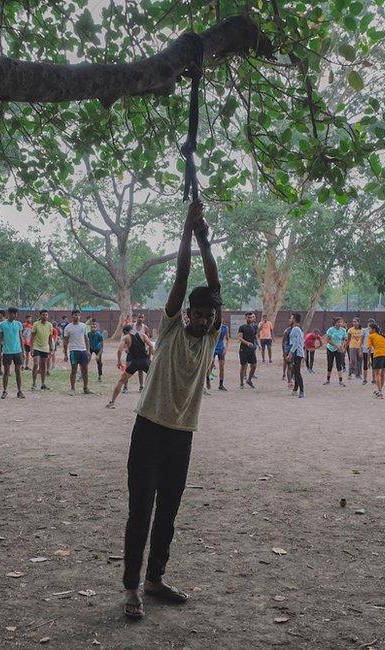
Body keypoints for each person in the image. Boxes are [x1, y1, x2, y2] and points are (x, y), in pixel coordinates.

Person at [122, 200, 221, 621]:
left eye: (206, 316)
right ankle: (131, 589)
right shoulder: (167, 329)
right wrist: (187, 232)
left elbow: (214, 285)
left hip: (182, 435)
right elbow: (184, 277)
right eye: (195, 315)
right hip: (149, 430)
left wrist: (205, 239)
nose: (200, 320)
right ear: (185, 314)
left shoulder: (212, 336)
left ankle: (155, 580)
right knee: (140, 511)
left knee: (169, 513)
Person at [107, 324, 154, 408]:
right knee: (155, 380)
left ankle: (112, 402)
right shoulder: (142, 335)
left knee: (121, 381)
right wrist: (149, 357)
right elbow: (150, 345)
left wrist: (119, 361)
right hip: (145, 361)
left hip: (135, 362)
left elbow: (119, 350)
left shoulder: (126, 338)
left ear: (125, 332)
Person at [0, 307, 26, 399]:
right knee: (6, 372)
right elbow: (0, 339)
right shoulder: (2, 324)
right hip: (7, 352)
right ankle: (4, 391)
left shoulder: (18, 324)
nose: (16, 315)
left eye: (16, 314)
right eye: (14, 313)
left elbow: (21, 338)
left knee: (18, 372)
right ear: (9, 314)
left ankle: (19, 391)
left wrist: (23, 351)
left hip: (17, 351)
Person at [63, 310, 92, 395]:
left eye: (79, 315)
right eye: (75, 315)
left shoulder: (84, 326)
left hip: (83, 350)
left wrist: (88, 350)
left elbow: (86, 339)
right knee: (74, 369)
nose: (77, 317)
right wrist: (65, 353)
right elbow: (65, 341)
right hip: (73, 350)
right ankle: (72, 388)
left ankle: (85, 388)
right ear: (72, 316)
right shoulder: (68, 327)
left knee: (85, 370)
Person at [30, 309, 54, 390]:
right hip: (36, 346)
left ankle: (43, 384)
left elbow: (50, 338)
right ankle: (34, 383)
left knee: (43, 366)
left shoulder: (50, 325)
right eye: (43, 315)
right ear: (40, 316)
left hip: (45, 347)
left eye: (46, 315)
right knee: (36, 364)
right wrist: (31, 348)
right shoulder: (36, 324)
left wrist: (51, 348)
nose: (45, 316)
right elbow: (32, 336)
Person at [368, 322, 385, 399]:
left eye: (369, 328)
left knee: (377, 374)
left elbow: (369, 348)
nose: (368, 330)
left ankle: (380, 391)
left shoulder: (371, 336)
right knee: (382, 374)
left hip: (378, 355)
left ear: (373, 329)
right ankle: (379, 391)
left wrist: (368, 360)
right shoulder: (382, 336)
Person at [235, 311, 258, 388]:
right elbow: (240, 338)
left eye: (251, 317)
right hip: (243, 349)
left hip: (251, 350)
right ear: (245, 318)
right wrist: (247, 343)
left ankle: (249, 380)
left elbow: (254, 337)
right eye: (248, 317)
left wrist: (257, 345)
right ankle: (241, 383)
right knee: (243, 366)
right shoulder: (242, 327)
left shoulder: (253, 327)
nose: (250, 319)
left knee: (254, 365)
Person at [206, 317, 230, 391]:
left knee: (222, 367)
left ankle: (221, 384)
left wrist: (226, 349)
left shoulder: (225, 328)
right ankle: (208, 379)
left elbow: (228, 339)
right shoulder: (211, 327)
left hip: (221, 349)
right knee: (210, 365)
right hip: (212, 348)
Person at [324, 317, 347, 386]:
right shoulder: (331, 330)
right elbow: (328, 340)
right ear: (335, 323)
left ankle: (340, 381)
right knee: (330, 364)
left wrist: (341, 346)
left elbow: (344, 339)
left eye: (341, 322)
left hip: (338, 349)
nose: (340, 323)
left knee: (339, 364)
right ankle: (328, 380)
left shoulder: (343, 330)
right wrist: (335, 345)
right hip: (330, 349)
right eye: (338, 322)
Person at [286, 313, 305, 398]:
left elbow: (296, 342)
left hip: (297, 353)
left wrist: (290, 353)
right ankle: (295, 389)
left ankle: (301, 391)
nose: (290, 320)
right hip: (298, 352)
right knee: (295, 371)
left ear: (294, 319)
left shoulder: (296, 329)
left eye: (291, 318)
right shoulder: (298, 328)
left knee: (297, 373)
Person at [360, 319, 372, 385]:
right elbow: (361, 340)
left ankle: (374, 379)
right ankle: (365, 379)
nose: (370, 324)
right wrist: (360, 349)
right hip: (365, 349)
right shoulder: (364, 330)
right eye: (369, 323)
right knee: (365, 365)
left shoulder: (376, 330)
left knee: (375, 366)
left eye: (372, 323)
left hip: (374, 350)